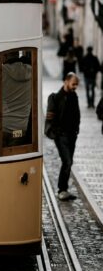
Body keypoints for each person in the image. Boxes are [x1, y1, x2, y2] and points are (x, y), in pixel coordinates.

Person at [45, 72, 80, 201]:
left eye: (76, 84)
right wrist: (56, 133)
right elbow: (50, 117)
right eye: (73, 84)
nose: (75, 86)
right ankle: (61, 190)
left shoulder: (74, 96)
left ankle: (64, 189)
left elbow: (76, 115)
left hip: (72, 135)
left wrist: (76, 130)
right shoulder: (55, 97)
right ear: (66, 81)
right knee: (67, 161)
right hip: (61, 136)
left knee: (68, 162)